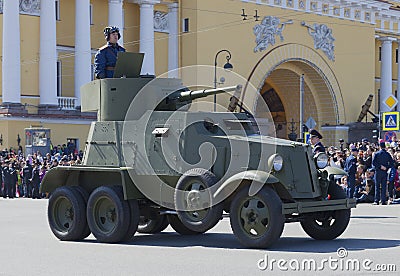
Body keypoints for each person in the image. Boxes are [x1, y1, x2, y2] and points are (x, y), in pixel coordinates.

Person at [372, 140, 394, 205]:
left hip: (378, 171)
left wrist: (380, 166)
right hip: (385, 172)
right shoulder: (387, 154)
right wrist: (386, 167)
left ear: (379, 146)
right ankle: (383, 200)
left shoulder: (377, 154)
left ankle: (376, 200)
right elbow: (392, 163)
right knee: (384, 186)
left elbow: (374, 163)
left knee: (377, 186)